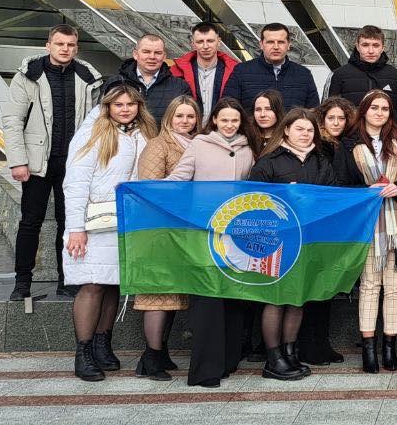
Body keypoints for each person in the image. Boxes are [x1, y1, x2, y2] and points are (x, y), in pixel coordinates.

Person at [5, 24, 104, 300]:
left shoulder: (88, 78)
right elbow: (13, 121)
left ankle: (67, 279)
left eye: (71, 45)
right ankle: (22, 283)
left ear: (77, 47)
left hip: (73, 164)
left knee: (68, 222)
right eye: (60, 44)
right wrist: (17, 161)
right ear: (48, 45)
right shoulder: (28, 76)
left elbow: (96, 125)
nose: (65, 49)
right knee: (30, 222)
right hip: (37, 163)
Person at [62, 85, 154, 381]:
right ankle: (84, 352)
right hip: (94, 224)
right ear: (107, 107)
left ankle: (103, 344)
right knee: (92, 285)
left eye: (131, 104)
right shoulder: (93, 134)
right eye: (118, 104)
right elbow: (76, 183)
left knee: (113, 283)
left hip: (126, 223)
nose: (125, 108)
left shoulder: (144, 134)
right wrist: (76, 228)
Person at [168, 98, 257, 388]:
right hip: (203, 232)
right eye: (225, 120)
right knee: (206, 300)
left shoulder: (248, 149)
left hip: (236, 234)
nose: (230, 125)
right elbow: (180, 177)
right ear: (215, 120)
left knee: (233, 299)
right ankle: (205, 370)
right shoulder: (199, 145)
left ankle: (228, 362)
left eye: (235, 120)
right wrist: (147, 188)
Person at [248, 109, 340, 381]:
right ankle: (273, 358)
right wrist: (285, 198)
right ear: (286, 130)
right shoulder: (268, 162)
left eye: (310, 130)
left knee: (297, 298)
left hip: (309, 240)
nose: (305, 134)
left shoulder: (321, 162)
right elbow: (254, 202)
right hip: (277, 241)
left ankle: (290, 352)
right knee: (277, 299)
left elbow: (332, 196)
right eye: (300, 129)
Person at [337, 90, 397, 373]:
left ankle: (390, 346)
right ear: (363, 110)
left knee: (395, 286)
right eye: (374, 108)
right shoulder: (349, 144)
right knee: (369, 285)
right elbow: (339, 185)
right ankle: (368, 348)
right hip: (365, 224)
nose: (379, 113)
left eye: (385, 108)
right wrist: (366, 192)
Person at [131, 94, 201, 380]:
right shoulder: (158, 145)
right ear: (169, 117)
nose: (185, 121)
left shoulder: (198, 144)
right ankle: (150, 357)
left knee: (172, 295)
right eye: (180, 116)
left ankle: (160, 352)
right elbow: (150, 190)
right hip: (159, 231)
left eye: (190, 116)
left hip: (183, 232)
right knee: (157, 296)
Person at [294, 97, 353, 367]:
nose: (337, 123)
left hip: (333, 226)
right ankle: (308, 344)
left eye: (342, 118)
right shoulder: (318, 149)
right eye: (332, 119)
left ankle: (322, 341)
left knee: (327, 286)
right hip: (312, 227)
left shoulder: (344, 146)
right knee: (311, 287)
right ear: (322, 121)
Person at [224, 23, 321, 112]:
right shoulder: (241, 71)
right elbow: (228, 109)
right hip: (252, 131)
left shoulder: (303, 75)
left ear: (288, 45)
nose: (276, 47)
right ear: (261, 44)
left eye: (281, 42)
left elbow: (313, 112)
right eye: (270, 42)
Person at [327, 25, 397, 126]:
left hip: (386, 138)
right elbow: (328, 111)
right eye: (365, 45)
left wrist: (394, 135)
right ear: (357, 46)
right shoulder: (339, 75)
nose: (371, 51)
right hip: (348, 138)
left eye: (376, 45)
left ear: (383, 48)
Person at [102, 34, 190, 121]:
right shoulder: (114, 83)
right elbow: (100, 117)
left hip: (164, 135)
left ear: (164, 56)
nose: (152, 57)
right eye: (146, 52)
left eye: (158, 53)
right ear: (135, 54)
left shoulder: (180, 87)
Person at [170, 22, 238, 117]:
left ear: (218, 42)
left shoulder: (235, 70)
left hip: (222, 129)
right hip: (188, 128)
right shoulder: (176, 71)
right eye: (200, 42)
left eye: (210, 41)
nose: (205, 46)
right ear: (193, 44)